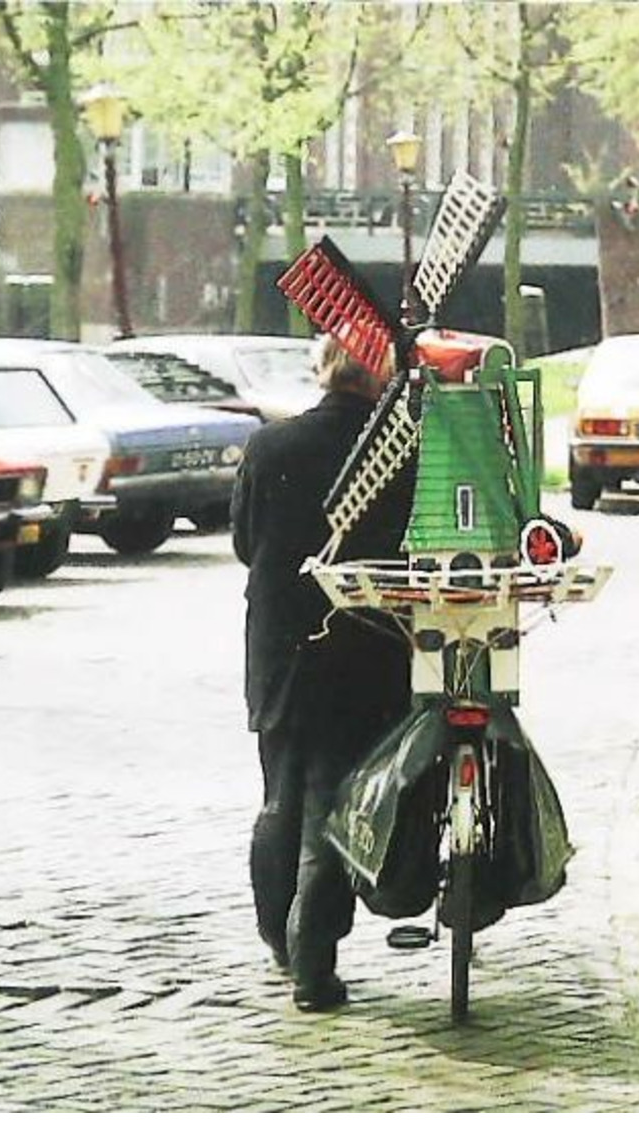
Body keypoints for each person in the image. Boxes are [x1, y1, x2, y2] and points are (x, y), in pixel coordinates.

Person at [231, 336, 414, 1012]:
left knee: (280, 791)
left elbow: (246, 545)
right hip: (364, 647)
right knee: (337, 803)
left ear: (323, 369)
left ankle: (279, 938)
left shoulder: (269, 448)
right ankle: (315, 963)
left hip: (280, 646)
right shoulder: (397, 452)